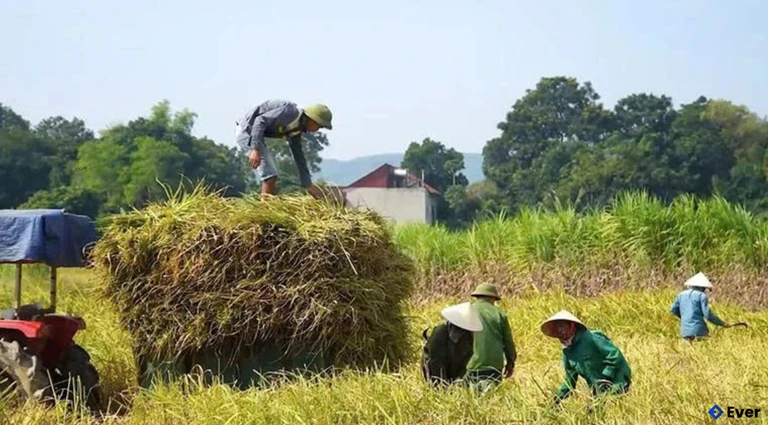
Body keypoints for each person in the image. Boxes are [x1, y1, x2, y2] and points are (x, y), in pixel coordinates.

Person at [235, 100, 333, 198]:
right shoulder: (290, 113)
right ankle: (264, 210)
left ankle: (266, 207)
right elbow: (260, 121)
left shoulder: (296, 129)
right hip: (247, 131)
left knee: (271, 175)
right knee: (270, 175)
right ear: (312, 120)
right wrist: (255, 149)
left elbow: (299, 156)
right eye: (319, 126)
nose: (317, 130)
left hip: (254, 133)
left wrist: (308, 184)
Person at [540, 310, 631, 405]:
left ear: (572, 326)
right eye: (557, 329)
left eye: (562, 326)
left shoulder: (591, 338)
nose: (560, 331)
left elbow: (615, 355)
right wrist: (556, 400)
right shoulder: (568, 353)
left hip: (618, 380)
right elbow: (569, 382)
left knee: (614, 407)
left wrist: (606, 376)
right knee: (593, 412)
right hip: (597, 389)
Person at [463, 283, 517, 393]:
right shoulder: (499, 314)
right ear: (493, 298)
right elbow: (508, 342)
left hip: (470, 364)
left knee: (470, 399)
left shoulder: (466, 311)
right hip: (493, 365)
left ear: (477, 297)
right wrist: (510, 363)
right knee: (491, 398)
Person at [420, 302, 483, 387]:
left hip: (454, 368)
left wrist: (457, 381)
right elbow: (435, 361)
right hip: (433, 368)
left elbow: (465, 361)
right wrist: (442, 385)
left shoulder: (468, 336)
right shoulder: (440, 332)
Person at [670, 272, 728, 341]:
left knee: (686, 350)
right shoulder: (701, 296)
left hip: (685, 331)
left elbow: (673, 309)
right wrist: (722, 323)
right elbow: (708, 315)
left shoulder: (681, 295)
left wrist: (684, 317)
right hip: (699, 330)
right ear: (702, 287)